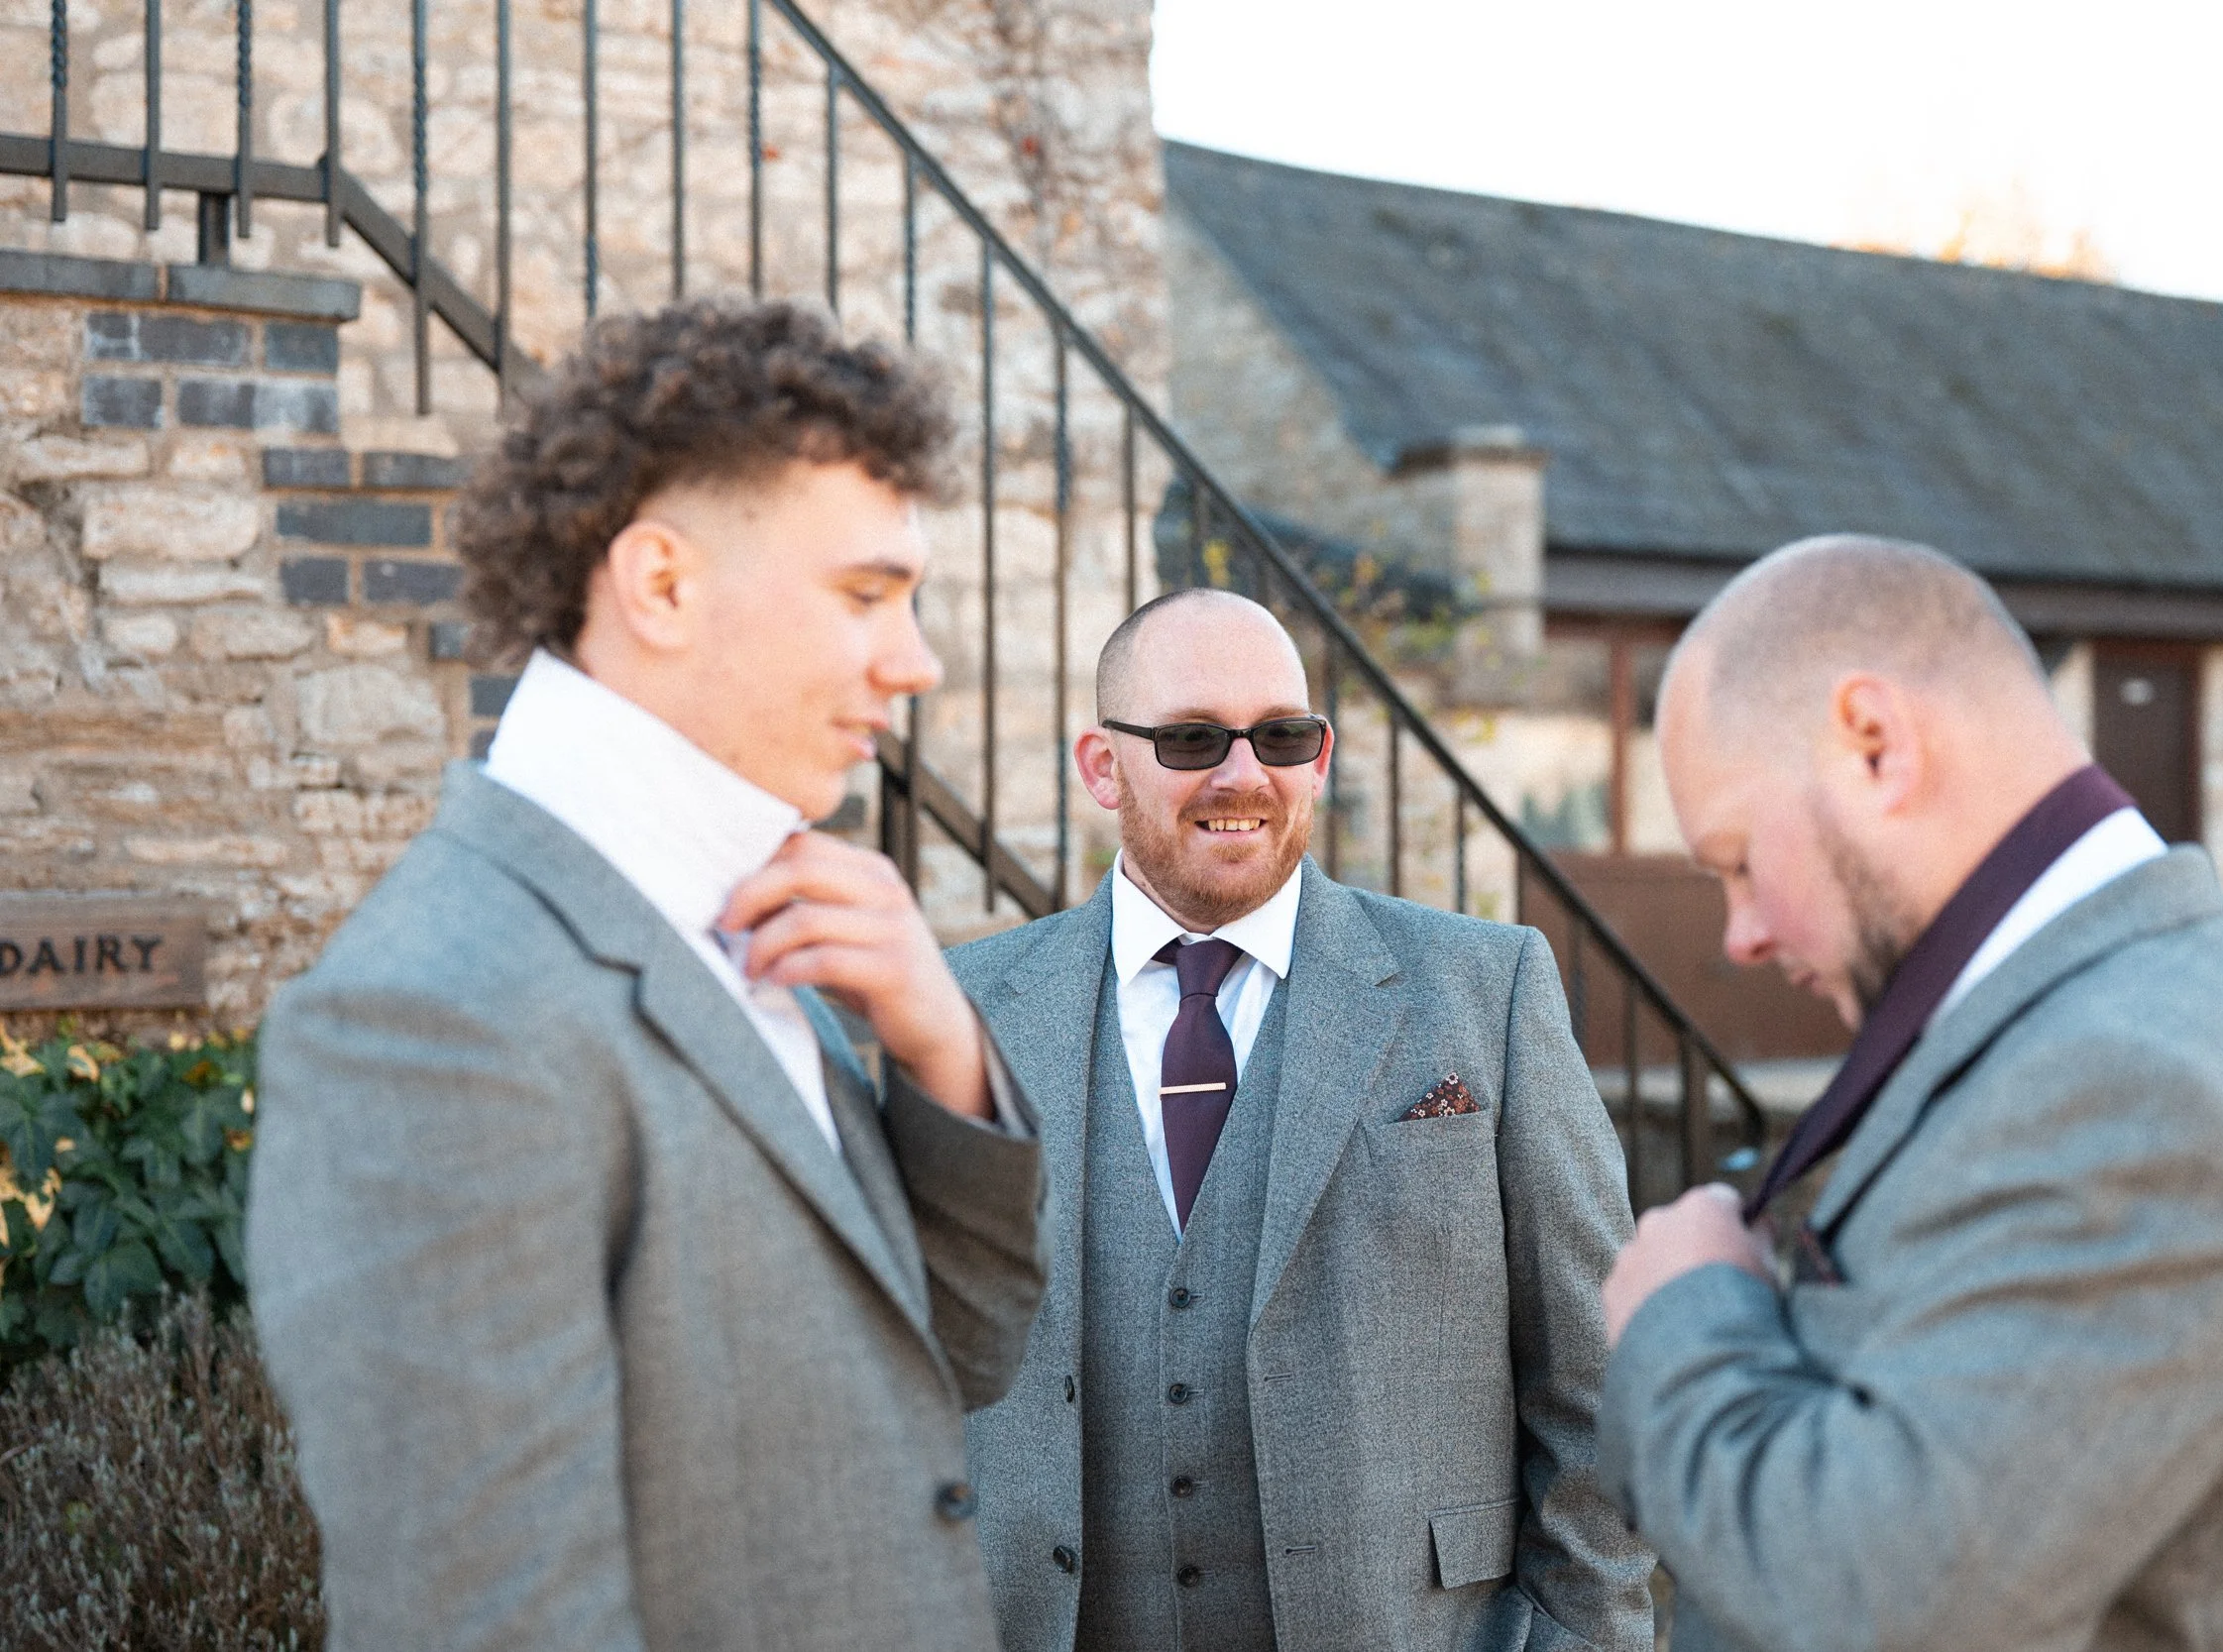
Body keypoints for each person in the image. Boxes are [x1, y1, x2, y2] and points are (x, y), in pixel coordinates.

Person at [245, 300, 1050, 1652]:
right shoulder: (436, 1016)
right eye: (866, 595)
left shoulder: (750, 915)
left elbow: (943, 1375)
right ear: (662, 585)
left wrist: (941, 1053)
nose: (916, 661)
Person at [1597, 534, 2223, 1652]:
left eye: (1738, 858)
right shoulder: (2147, 996)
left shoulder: (2128, 1082)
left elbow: (1882, 1608)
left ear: (1875, 743)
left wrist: (1683, 1311)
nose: (1740, 933)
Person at [948, 587, 1655, 1652]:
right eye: (1192, 739)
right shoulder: (963, 1010)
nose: (1243, 774)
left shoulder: (1485, 986)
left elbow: (1596, 1380)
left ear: (1318, 758)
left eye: (1281, 735)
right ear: (1101, 766)